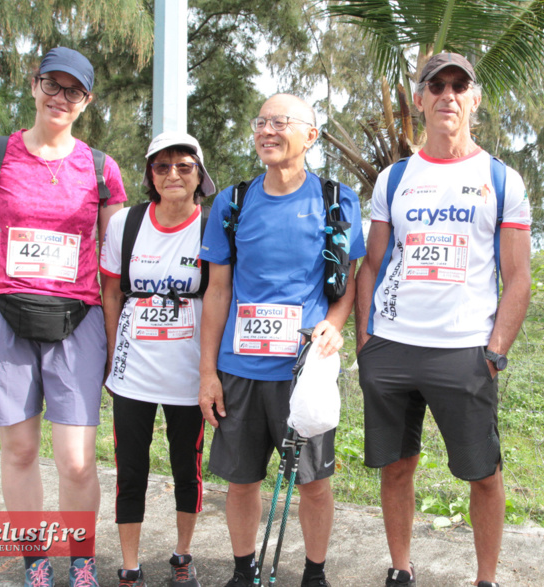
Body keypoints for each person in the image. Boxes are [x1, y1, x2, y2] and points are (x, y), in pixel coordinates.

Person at [0, 47, 127, 587]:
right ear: (34, 86)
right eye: (52, 84)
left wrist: (116, 339)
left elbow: (115, 264)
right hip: (2, 314)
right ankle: (36, 565)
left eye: (73, 90)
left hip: (78, 321)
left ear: (86, 102)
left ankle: (80, 561)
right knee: (21, 449)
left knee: (76, 460)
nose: (60, 97)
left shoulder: (102, 169)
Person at [355, 53, 532, 587]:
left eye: (459, 86)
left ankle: (485, 578)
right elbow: (372, 263)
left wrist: (495, 350)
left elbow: (518, 277)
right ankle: (400, 569)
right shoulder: (395, 178)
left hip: (465, 352)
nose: (448, 95)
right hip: (391, 347)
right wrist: (366, 342)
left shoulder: (501, 180)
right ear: (421, 99)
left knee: (483, 473)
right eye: (437, 86)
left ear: (474, 99)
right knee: (397, 466)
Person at [198, 93, 365, 587]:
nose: (268, 131)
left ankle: (314, 573)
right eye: (261, 122)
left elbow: (348, 279)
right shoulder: (232, 202)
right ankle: (242, 570)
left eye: (281, 122)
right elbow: (217, 291)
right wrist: (208, 372)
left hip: (302, 371)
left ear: (311, 136)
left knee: (312, 483)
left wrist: (335, 322)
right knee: (242, 481)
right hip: (240, 370)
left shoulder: (337, 200)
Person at [101, 132, 216, 587]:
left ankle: (182, 555)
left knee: (187, 468)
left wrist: (213, 370)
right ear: (150, 174)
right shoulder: (125, 224)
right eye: (162, 166)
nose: (173, 174)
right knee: (131, 469)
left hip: (189, 373)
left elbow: (221, 294)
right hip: (134, 372)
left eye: (184, 166)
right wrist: (113, 355)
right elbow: (111, 291)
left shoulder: (210, 228)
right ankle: (129, 564)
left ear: (198, 176)